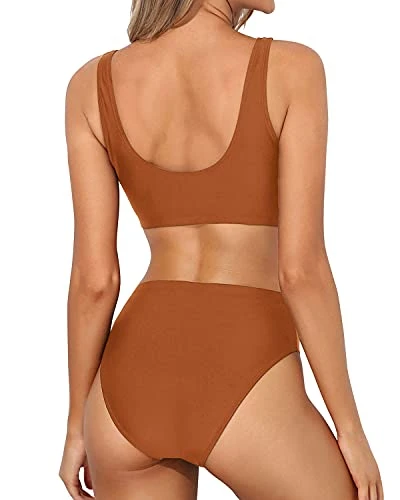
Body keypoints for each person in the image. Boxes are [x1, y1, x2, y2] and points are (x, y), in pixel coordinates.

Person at [59, 0, 383, 499]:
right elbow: (301, 272)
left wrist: (77, 424)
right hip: (244, 361)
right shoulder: (292, 69)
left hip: (129, 385)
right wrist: (350, 430)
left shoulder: (90, 85)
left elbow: (95, 281)